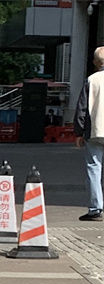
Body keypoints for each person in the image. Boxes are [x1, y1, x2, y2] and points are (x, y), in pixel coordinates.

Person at [74, 45, 104, 222]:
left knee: (94, 169)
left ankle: (95, 209)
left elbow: (82, 108)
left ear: (95, 62)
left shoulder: (91, 80)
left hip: (95, 131)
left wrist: (78, 132)